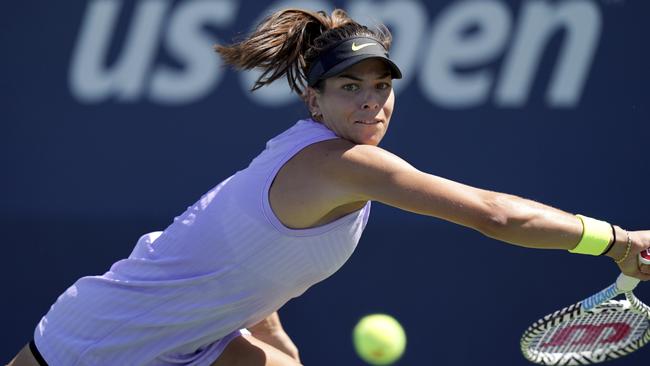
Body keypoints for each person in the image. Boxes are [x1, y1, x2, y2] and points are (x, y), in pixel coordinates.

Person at [9, 7, 650, 366]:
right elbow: (494, 216)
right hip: (99, 340)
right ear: (313, 101)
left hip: (191, 336)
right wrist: (616, 241)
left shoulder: (308, 156)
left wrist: (269, 326)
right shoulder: (349, 166)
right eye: (351, 88)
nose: (372, 103)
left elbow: (240, 247)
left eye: (382, 87)